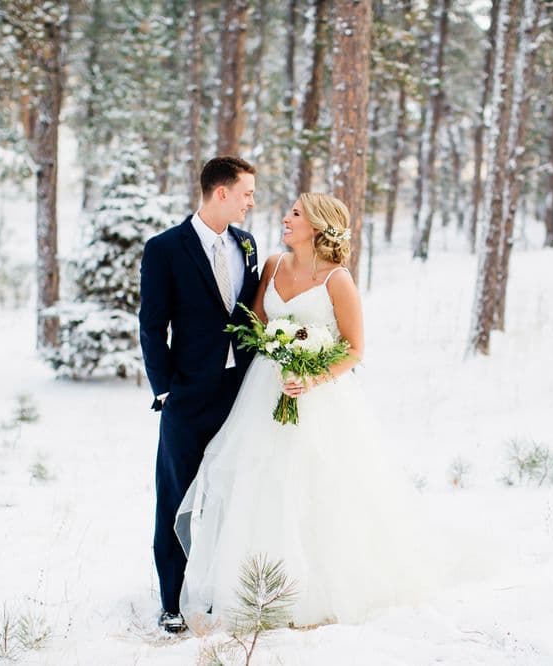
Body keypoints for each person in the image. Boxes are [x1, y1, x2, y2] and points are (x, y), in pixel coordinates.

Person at [176, 192, 436, 629]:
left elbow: (354, 349)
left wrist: (310, 375)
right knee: (258, 481)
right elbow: (256, 320)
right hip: (264, 389)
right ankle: (253, 586)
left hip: (319, 399)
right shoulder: (275, 265)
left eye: (295, 213)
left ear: (316, 225)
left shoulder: (338, 280)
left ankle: (312, 590)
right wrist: (273, 347)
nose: (285, 218)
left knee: (313, 486)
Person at [138, 156, 260, 634]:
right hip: (186, 397)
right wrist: (165, 389)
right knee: (175, 496)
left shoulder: (246, 244)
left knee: (227, 495)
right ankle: (171, 602)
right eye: (247, 192)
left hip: (238, 393)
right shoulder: (165, 248)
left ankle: (213, 590)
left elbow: (249, 314)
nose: (252, 201)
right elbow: (151, 325)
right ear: (221, 193)